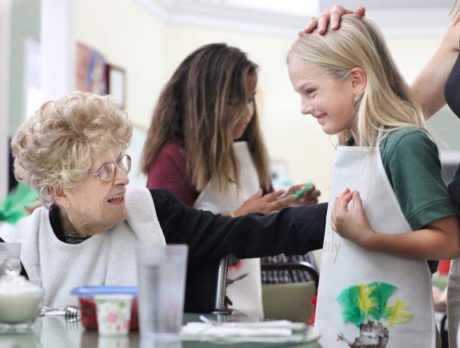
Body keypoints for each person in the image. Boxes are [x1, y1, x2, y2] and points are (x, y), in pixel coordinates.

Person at [0, 91, 327, 314]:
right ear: (59, 191)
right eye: (104, 170)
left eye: (120, 162)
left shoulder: (153, 214)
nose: (123, 178)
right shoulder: (22, 249)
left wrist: (342, 217)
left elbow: (253, 231)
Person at [288, 15, 460, 347]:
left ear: (355, 81)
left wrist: (370, 238)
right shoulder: (354, 146)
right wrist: (353, 36)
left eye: (311, 92)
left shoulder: (404, 145)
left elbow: (449, 240)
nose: (304, 108)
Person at [140, 43, 320, 318]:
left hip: (243, 302)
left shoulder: (245, 156)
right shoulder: (171, 159)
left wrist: (287, 207)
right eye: (234, 101)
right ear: (205, 102)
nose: (247, 112)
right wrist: (237, 217)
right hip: (194, 309)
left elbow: (264, 225)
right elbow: (168, 242)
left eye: (250, 100)